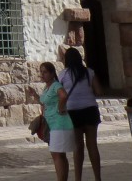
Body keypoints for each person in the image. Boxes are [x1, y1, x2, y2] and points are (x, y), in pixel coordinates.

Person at [59, 47, 103, 181]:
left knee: (78, 147)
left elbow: (59, 94)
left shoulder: (63, 74)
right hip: (90, 110)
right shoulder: (89, 72)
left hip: (73, 112)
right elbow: (99, 91)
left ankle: (78, 178)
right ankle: (98, 178)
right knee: (92, 145)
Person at [40, 62, 76, 181]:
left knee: (57, 155)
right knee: (59, 155)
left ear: (51, 73)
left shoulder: (56, 85)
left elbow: (63, 96)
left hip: (59, 123)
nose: (42, 74)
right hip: (52, 124)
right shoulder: (47, 87)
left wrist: (61, 107)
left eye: (45, 72)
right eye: (41, 72)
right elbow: (45, 102)